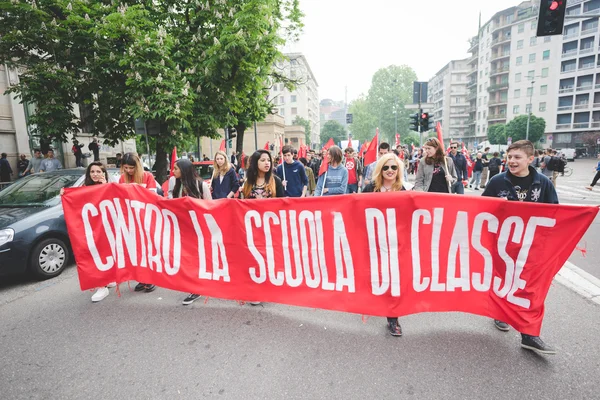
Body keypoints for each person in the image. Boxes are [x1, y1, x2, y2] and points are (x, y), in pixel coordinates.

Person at [482, 140, 558, 355]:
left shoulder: (544, 183)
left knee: (530, 290)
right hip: (503, 246)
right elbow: (482, 210)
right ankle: (501, 314)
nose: (512, 161)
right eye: (510, 157)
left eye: (517, 157)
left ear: (530, 159)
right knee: (504, 282)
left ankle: (529, 334)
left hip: (532, 247)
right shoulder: (497, 181)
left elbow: (556, 213)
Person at [362, 153, 407, 336]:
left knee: (393, 280)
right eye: (386, 167)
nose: (390, 171)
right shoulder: (370, 189)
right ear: (380, 170)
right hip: (372, 241)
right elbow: (356, 211)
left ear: (398, 170)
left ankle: (393, 318)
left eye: (393, 167)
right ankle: (369, 304)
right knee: (372, 277)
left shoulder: (403, 190)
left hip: (394, 243)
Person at [241, 150, 284, 305]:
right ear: (255, 163)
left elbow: (283, 204)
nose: (267, 163)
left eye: (268, 160)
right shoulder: (248, 183)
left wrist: (265, 204)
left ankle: (266, 288)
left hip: (270, 228)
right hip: (252, 228)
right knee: (253, 258)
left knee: (268, 257)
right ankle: (255, 290)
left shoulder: (276, 181)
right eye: (263, 160)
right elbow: (242, 205)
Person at [170, 159, 212, 305]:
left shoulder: (201, 185)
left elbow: (210, 207)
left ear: (184, 170)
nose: (173, 171)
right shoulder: (176, 185)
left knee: (197, 258)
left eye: (176, 168)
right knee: (187, 258)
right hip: (182, 228)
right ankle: (194, 285)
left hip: (198, 228)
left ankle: (197, 288)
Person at [118, 152, 157, 293]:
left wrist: (135, 189)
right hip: (131, 220)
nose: (128, 171)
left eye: (131, 168)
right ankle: (142, 278)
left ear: (137, 166)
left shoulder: (147, 176)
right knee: (136, 251)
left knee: (147, 249)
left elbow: (152, 197)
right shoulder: (122, 178)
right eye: (126, 168)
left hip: (146, 218)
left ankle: (150, 278)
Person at [82, 162, 117, 302]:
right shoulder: (83, 189)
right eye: (92, 171)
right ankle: (101, 285)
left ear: (103, 173)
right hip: (91, 228)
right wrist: (64, 193)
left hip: (107, 226)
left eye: (98, 171)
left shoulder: (108, 186)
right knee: (95, 255)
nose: (95, 174)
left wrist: (105, 186)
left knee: (107, 253)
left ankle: (107, 280)